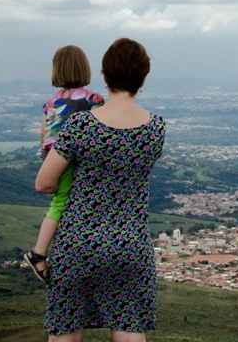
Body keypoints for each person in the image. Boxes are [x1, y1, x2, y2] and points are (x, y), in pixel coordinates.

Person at [35, 38, 165, 342]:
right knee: (129, 327)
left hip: (77, 242)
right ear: (143, 77)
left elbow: (44, 182)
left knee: (65, 331)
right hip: (131, 243)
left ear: (104, 75)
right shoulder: (157, 128)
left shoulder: (80, 125)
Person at [24, 45, 104, 283]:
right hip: (75, 159)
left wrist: (47, 160)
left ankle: (43, 251)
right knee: (63, 203)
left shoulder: (51, 102)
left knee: (60, 201)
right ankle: (38, 253)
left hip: (53, 158)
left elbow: (44, 136)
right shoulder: (93, 99)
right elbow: (100, 133)